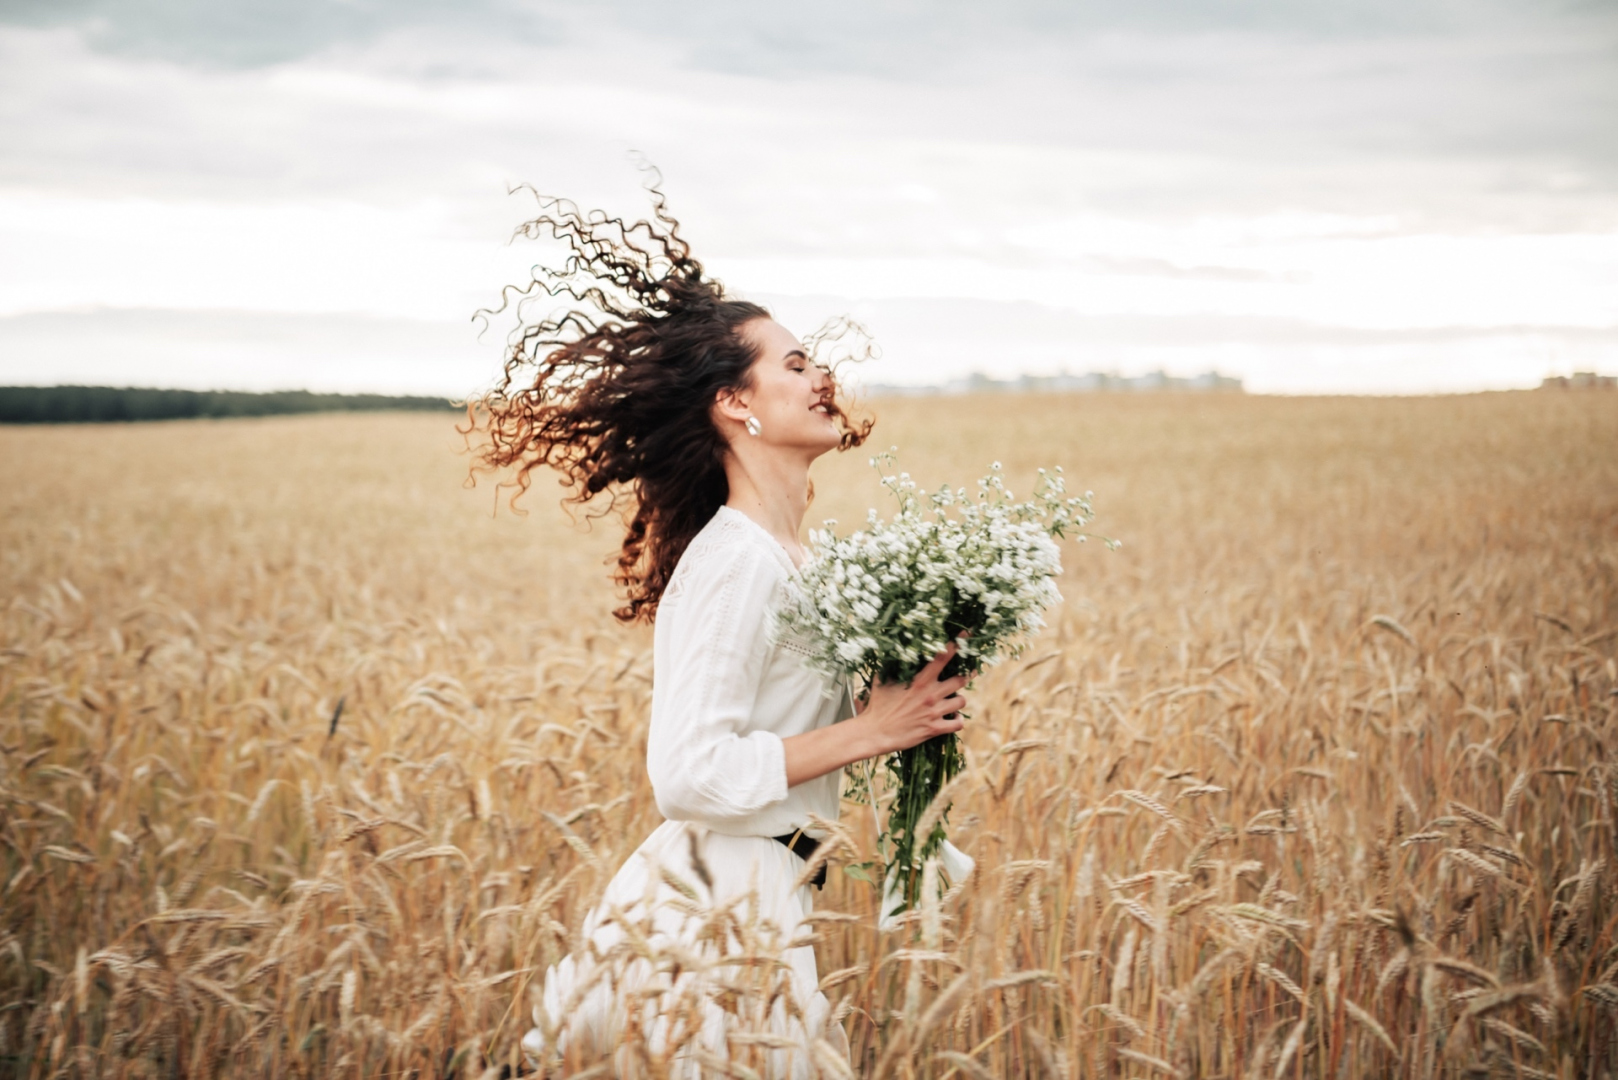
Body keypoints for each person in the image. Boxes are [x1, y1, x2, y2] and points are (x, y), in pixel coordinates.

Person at [467, 181, 971, 1077]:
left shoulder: (792, 556)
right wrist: (871, 729)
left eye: (817, 360)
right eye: (793, 364)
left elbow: (784, 725)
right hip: (711, 921)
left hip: (762, 901)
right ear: (735, 405)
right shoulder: (735, 559)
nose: (823, 377)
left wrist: (909, 692)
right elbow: (687, 771)